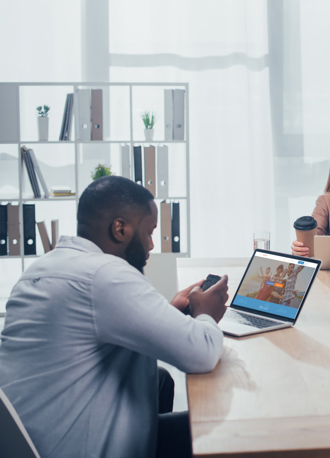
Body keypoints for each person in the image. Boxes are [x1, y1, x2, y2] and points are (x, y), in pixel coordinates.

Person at [0, 176, 230, 458]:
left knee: (159, 380)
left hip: (36, 442)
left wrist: (168, 313)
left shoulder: (43, 268)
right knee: (230, 429)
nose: (151, 245)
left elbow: (92, 334)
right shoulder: (104, 275)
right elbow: (202, 353)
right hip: (76, 449)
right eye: (149, 232)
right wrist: (207, 313)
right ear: (120, 229)